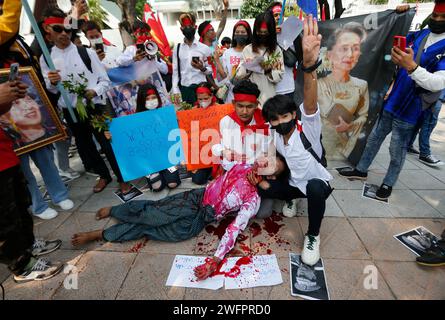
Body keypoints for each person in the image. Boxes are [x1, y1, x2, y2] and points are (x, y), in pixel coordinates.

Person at [70, 160, 285, 281]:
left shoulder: (252, 200)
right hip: (194, 197)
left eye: (269, 167)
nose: (262, 163)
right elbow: (223, 157)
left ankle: (105, 234)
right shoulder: (242, 164)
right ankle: (117, 211)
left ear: (270, 179)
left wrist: (216, 260)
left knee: (164, 231)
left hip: (202, 217)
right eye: (264, 158)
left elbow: (234, 229)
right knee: (152, 214)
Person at [248, 15, 333, 267]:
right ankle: (291, 198)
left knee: (316, 188)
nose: (280, 121)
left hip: (316, 182)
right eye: (274, 119)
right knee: (262, 186)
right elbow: (273, 162)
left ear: (293, 115)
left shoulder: (307, 126)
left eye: (285, 115)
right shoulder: (274, 133)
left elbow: (309, 99)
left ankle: (313, 236)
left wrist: (308, 66)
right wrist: (264, 171)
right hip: (294, 185)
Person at [339, 1, 445, 200]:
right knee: (374, 139)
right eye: (435, 16)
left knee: (397, 148)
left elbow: (437, 83)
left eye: (443, 18)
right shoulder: (422, 34)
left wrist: (412, 67)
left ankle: (388, 183)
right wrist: (400, 15)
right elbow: (399, 37)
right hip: (394, 100)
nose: (437, 20)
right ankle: (361, 169)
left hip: (412, 107)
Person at [40, 8, 131, 194]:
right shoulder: (46, 58)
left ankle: (122, 177)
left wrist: (94, 91)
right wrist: (51, 82)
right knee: (86, 146)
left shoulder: (86, 53)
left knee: (107, 143)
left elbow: (105, 81)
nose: (64, 33)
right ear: (49, 32)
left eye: (67, 30)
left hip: (93, 107)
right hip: (70, 110)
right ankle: (103, 175)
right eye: (58, 29)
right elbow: (50, 89)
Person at [0, 76, 63, 282]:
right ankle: (21, 264)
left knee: (21, 208)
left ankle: (27, 246)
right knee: (4, 221)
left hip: (6, 154)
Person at [105, 84, 182, 192]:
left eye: (154, 97)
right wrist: (112, 135)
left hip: (167, 158)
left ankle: (167, 171)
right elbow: (127, 137)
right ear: (142, 101)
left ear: (158, 97)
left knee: (172, 184)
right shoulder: (136, 119)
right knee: (157, 187)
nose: (151, 101)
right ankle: (152, 172)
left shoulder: (165, 113)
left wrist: (178, 119)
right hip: (149, 160)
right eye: (147, 99)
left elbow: (175, 133)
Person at [317, 22, 369, 160]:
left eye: (355, 48)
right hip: (320, 149)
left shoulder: (362, 85)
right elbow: (328, 111)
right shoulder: (318, 85)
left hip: (346, 152)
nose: (350, 54)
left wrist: (350, 126)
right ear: (329, 54)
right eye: (344, 48)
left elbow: (364, 116)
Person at [212, 80, 270, 173]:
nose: (244, 112)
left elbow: (270, 151)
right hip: (232, 170)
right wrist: (224, 152)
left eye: (249, 106)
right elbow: (216, 146)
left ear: (256, 105)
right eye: (240, 106)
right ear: (234, 103)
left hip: (258, 171)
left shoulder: (265, 123)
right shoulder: (226, 122)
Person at [235, 11, 284, 105]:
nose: (262, 35)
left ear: (271, 32)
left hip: (269, 99)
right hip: (251, 100)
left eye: (265, 32)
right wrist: (248, 66)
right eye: (259, 32)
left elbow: (279, 76)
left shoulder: (276, 51)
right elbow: (238, 75)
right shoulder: (248, 49)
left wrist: (267, 69)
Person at [172, 13, 213, 106]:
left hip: (202, 91)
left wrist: (202, 68)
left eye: (190, 26)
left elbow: (211, 71)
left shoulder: (204, 48)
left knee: (202, 119)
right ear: (181, 29)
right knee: (186, 118)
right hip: (184, 90)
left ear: (195, 27)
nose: (188, 28)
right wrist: (175, 91)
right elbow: (175, 72)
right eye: (185, 26)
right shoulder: (177, 48)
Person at [213, 20, 253, 103]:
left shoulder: (252, 51)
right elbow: (224, 75)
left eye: (243, 32)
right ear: (234, 35)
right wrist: (217, 60)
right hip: (232, 95)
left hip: (249, 93)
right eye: (237, 32)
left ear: (248, 34)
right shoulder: (228, 53)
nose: (240, 34)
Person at [267, 2, 299, 99]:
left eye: (280, 14)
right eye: (275, 15)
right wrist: (271, 34)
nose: (278, 17)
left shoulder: (291, 35)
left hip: (287, 87)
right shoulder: (264, 34)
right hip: (269, 88)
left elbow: (292, 59)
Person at [407, 89, 444, 166]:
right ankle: (424, 154)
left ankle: (408, 144)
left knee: (420, 121)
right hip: (436, 96)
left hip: (429, 95)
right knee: (429, 124)